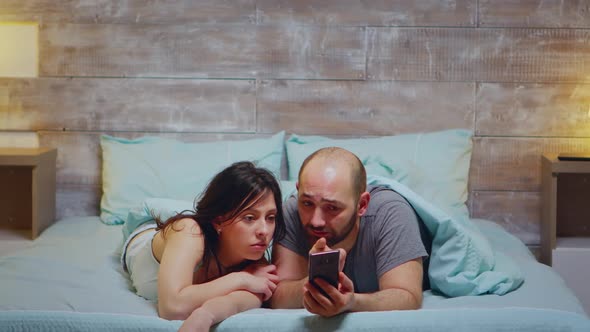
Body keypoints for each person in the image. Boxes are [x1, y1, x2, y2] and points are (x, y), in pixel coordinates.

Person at [120, 161, 285, 331]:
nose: (264, 231)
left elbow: (234, 303)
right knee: (180, 220)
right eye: (249, 218)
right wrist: (240, 279)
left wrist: (206, 314)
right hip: (148, 232)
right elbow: (172, 308)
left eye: (270, 217)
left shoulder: (258, 267)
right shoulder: (189, 232)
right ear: (218, 220)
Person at [270, 147, 431, 317]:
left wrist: (352, 302)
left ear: (362, 205)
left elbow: (408, 296)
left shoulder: (391, 213)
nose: (316, 221)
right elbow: (278, 295)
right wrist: (315, 284)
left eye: (332, 208)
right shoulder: (291, 211)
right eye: (307, 203)